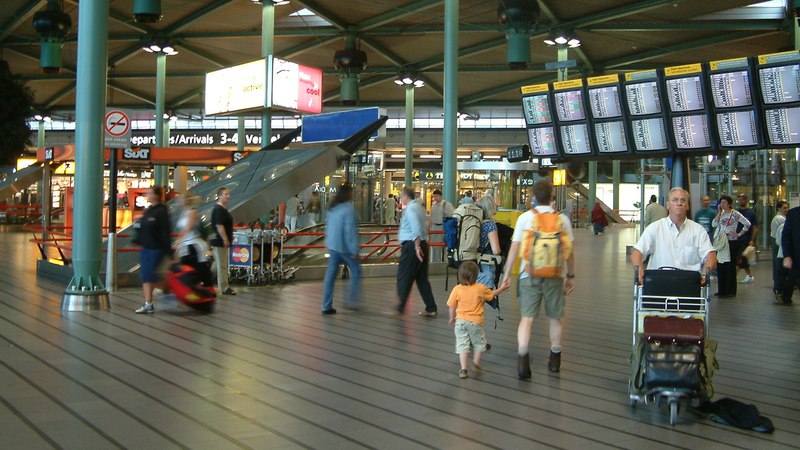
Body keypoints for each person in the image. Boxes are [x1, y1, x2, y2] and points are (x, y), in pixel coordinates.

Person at [501, 180, 575, 380]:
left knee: (527, 318)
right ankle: (555, 358)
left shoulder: (525, 218)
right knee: (555, 318)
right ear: (552, 196)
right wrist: (570, 276)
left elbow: (514, 248)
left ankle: (523, 357)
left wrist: (506, 274)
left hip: (529, 275)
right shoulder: (563, 220)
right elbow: (569, 252)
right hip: (555, 275)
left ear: (533, 196)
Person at [632, 187, 717, 284]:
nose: (679, 203)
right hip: (659, 285)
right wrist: (640, 273)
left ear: (687, 206)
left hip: (688, 287)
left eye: (683, 200)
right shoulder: (655, 228)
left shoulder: (698, 230)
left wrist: (703, 277)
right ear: (668, 205)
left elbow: (711, 256)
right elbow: (637, 252)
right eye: (675, 200)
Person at [447, 261, 510, 379]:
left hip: (460, 322)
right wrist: (502, 288)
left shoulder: (457, 289)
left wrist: (452, 318)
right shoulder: (480, 288)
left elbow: (451, 305)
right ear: (476, 275)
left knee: (462, 345)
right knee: (479, 344)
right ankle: (475, 364)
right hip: (475, 322)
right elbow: (492, 295)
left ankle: (463, 369)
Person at [394, 186, 438, 317]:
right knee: (422, 278)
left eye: (401, 196)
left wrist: (416, 247)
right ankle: (431, 307)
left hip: (412, 246)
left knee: (403, 276)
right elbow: (425, 224)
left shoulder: (410, 209)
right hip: (423, 244)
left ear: (406, 197)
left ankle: (400, 307)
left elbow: (416, 228)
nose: (400, 199)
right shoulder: (419, 207)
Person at [321, 184, 362, 315]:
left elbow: (328, 227)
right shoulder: (348, 210)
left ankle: (326, 306)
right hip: (345, 248)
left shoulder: (332, 208)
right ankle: (351, 301)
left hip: (333, 246)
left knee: (330, 276)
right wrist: (354, 250)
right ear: (348, 194)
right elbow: (350, 231)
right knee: (356, 271)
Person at [134, 186, 172, 314]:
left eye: (149, 193)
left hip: (156, 248)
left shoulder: (161, 211)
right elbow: (143, 226)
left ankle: (166, 289)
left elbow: (165, 231)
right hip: (146, 247)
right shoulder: (149, 210)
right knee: (146, 276)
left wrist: (168, 250)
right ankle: (148, 303)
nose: (147, 195)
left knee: (148, 275)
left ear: (156, 195)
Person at [711, 195, 750, 298]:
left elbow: (747, 224)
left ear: (729, 204)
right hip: (721, 242)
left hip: (731, 241)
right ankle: (722, 290)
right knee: (721, 265)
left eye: (724, 203)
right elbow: (714, 224)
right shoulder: (721, 214)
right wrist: (719, 212)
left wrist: (738, 234)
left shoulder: (735, 214)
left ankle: (731, 290)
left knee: (730, 266)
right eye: (721, 203)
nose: (722, 205)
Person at [172, 192, 212, 287]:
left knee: (194, 267)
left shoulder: (191, 212)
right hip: (186, 244)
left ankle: (201, 286)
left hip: (193, 244)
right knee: (192, 266)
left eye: (181, 199)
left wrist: (178, 241)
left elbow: (187, 228)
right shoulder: (184, 212)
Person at [210, 186, 236, 296]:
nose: (228, 196)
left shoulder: (222, 209)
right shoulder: (219, 210)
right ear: (219, 196)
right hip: (220, 241)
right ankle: (224, 287)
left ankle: (205, 281)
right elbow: (219, 226)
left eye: (228, 194)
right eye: (225, 194)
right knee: (222, 265)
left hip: (219, 240)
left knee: (217, 264)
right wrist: (225, 239)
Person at [476, 194, 502, 288]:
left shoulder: (475, 222)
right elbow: (496, 250)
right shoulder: (490, 225)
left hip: (471, 263)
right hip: (485, 266)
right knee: (481, 298)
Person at [736, 193, 758, 284]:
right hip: (737, 239)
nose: (741, 201)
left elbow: (755, 227)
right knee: (743, 258)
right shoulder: (736, 212)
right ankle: (749, 276)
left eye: (742, 199)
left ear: (746, 200)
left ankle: (734, 276)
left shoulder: (751, 213)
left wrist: (752, 240)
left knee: (741, 258)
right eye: (739, 199)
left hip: (746, 240)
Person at [780, 205, 800, 305]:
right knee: (793, 276)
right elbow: (786, 236)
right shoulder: (793, 213)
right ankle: (786, 296)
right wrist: (787, 255)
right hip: (796, 254)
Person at [771, 200, 789, 301]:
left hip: (778, 243)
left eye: (787, 208)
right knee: (780, 267)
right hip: (779, 244)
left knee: (778, 266)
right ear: (778, 208)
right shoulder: (781, 219)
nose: (786, 210)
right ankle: (779, 287)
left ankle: (779, 287)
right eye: (784, 208)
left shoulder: (780, 218)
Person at [430, 189, 454, 262]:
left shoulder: (446, 204)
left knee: (444, 246)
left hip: (443, 227)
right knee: (435, 246)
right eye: (434, 196)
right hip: (434, 227)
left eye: (437, 196)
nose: (435, 198)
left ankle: (446, 262)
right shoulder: (433, 205)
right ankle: (436, 262)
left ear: (441, 196)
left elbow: (452, 216)